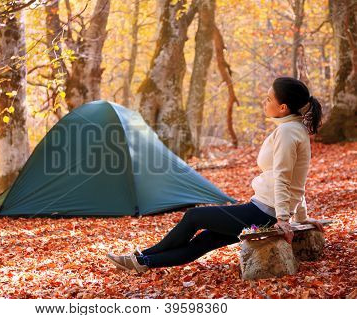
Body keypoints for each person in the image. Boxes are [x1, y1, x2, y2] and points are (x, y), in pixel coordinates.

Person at [106, 76, 325, 274]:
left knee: (194, 217)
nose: (264, 103)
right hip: (264, 208)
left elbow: (285, 178)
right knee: (204, 241)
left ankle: (140, 256)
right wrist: (301, 217)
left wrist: (285, 220)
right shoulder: (294, 129)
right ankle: (143, 262)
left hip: (264, 212)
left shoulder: (288, 132)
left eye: (269, 99)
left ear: (283, 107)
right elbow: (299, 180)